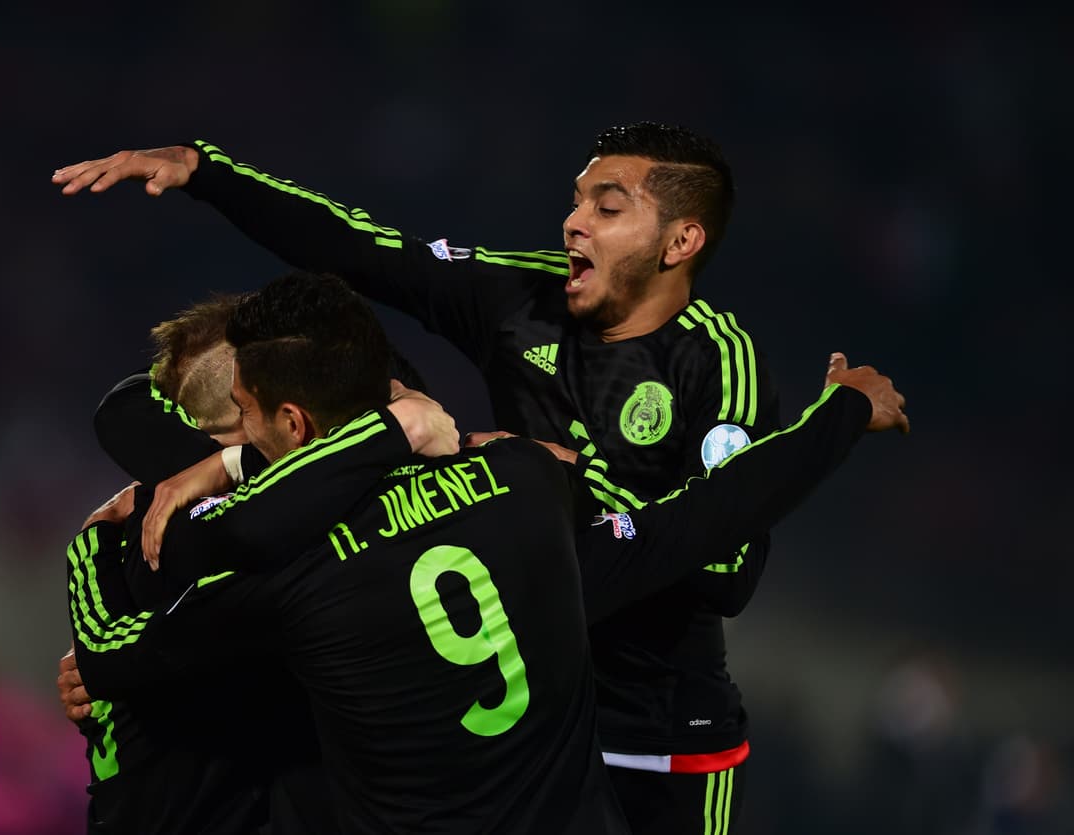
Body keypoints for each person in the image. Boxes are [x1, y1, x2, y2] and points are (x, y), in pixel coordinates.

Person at [52, 121, 789, 831]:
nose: (573, 222)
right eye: (576, 198)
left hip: (659, 739)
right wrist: (207, 173)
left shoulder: (721, 364)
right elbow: (365, 250)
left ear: (681, 240)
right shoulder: (519, 301)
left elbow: (729, 569)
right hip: (518, 723)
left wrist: (568, 478)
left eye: (607, 206)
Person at [66, 274, 909, 833]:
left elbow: (120, 657)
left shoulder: (267, 572)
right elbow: (698, 518)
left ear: (290, 424)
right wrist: (837, 416)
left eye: (244, 423)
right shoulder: (519, 485)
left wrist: (106, 652)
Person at [69, 272, 633, 834]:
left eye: (246, 410)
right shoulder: (510, 479)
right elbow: (125, 410)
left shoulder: (264, 555)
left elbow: (104, 655)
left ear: (291, 419)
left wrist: (92, 539)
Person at [63, 290, 458, 834]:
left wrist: (95, 542)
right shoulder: (210, 545)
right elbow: (108, 657)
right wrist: (400, 430)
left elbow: (125, 404)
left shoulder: (164, 515)